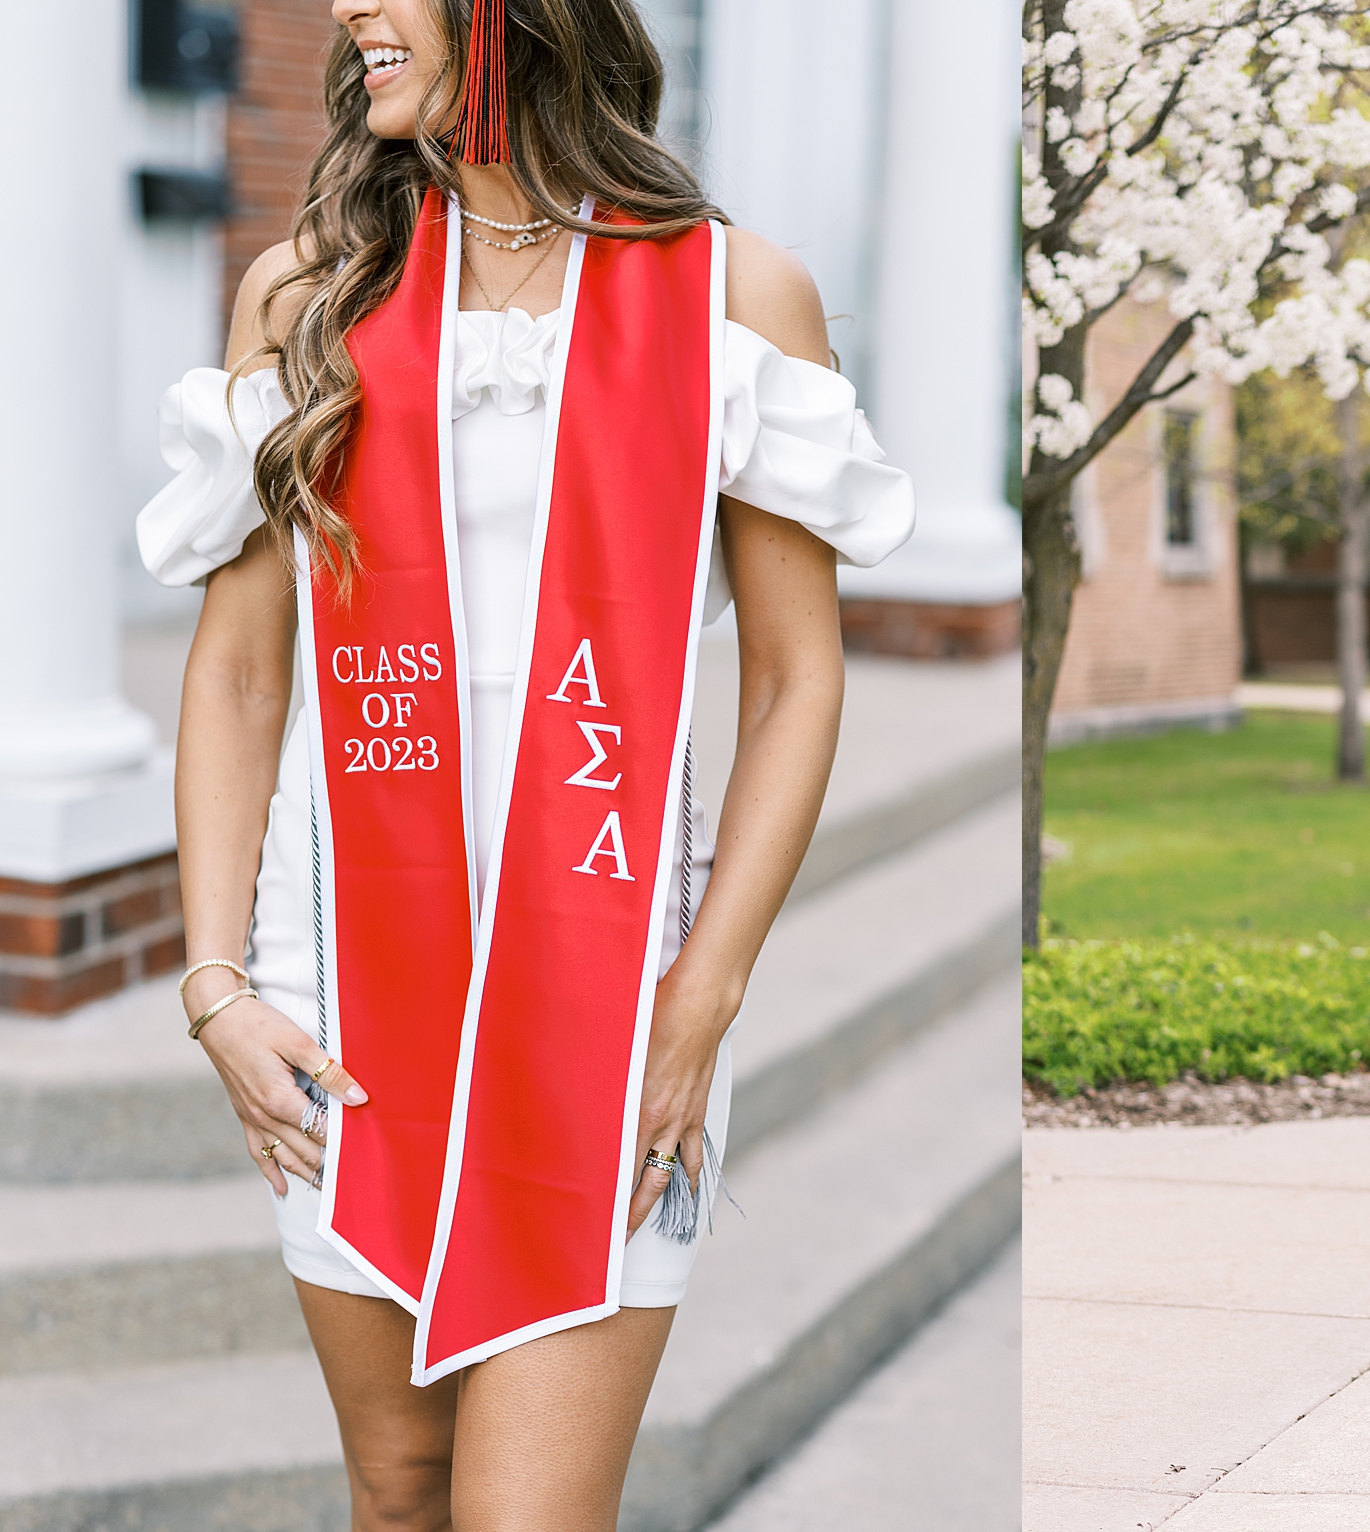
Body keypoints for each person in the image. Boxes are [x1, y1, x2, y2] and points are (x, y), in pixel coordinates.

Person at [135, 0, 912, 1524]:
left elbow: (794, 679)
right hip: (343, 979)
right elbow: (236, 670)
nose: (352, 5)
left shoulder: (729, 296)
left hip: (614, 979)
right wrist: (215, 983)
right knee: (401, 1480)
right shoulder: (307, 293)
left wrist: (705, 995)